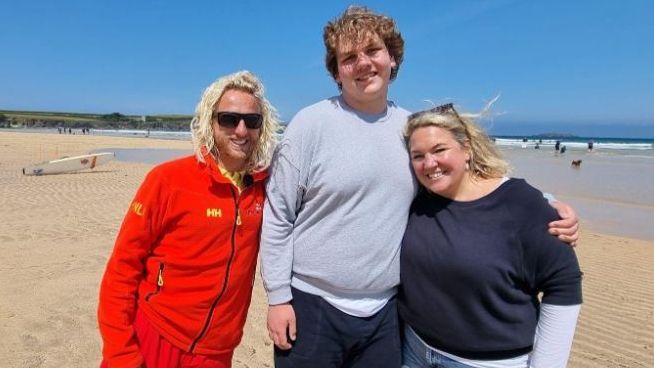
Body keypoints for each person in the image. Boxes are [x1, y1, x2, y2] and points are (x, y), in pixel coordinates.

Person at [261, 6, 579, 367]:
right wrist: (278, 297)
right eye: (348, 57)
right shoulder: (310, 124)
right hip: (313, 302)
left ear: (392, 59)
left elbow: (461, 180)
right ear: (337, 72)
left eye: (372, 51)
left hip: (386, 311)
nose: (363, 63)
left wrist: (545, 204)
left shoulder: (409, 129)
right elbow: (278, 214)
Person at [97, 70, 280, 368]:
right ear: (211, 121)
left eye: (252, 121)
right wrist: (120, 353)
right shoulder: (167, 180)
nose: (242, 130)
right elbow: (122, 269)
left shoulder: (267, 188)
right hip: (156, 332)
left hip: (216, 349)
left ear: (263, 127)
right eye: (229, 119)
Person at [400, 103, 582, 367]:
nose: (429, 163)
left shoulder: (521, 204)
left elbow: (563, 283)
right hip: (414, 350)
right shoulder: (420, 198)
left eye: (439, 150)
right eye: (418, 156)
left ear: (467, 150)